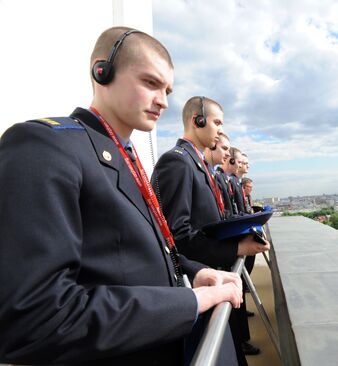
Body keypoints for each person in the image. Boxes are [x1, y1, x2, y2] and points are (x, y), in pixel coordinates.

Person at [0, 27, 242, 366]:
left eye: (168, 89)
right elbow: (36, 316)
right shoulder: (44, 146)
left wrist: (192, 271)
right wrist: (191, 302)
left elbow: (132, 251)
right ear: (103, 71)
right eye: (151, 83)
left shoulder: (123, 155)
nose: (164, 101)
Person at [151, 96, 270, 365]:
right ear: (198, 120)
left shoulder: (196, 163)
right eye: (216, 122)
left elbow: (207, 223)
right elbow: (177, 238)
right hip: (200, 282)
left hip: (212, 276)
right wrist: (237, 248)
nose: (219, 130)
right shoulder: (178, 162)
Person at [205, 132, 234, 219]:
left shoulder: (211, 173)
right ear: (212, 146)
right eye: (224, 148)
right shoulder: (208, 173)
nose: (228, 154)